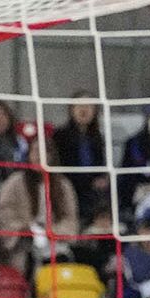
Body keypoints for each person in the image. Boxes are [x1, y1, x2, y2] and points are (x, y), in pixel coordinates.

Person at [0, 138, 80, 273]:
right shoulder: (14, 183)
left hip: (55, 243)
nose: (40, 156)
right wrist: (23, 229)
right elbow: (1, 215)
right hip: (23, 244)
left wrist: (52, 231)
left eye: (45, 152)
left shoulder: (63, 186)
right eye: (36, 151)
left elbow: (70, 219)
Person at [50, 90, 111, 222]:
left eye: (89, 106)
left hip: (93, 192)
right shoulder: (60, 136)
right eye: (79, 106)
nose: (84, 110)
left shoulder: (97, 137)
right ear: (71, 110)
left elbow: (101, 166)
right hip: (68, 188)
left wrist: (101, 178)